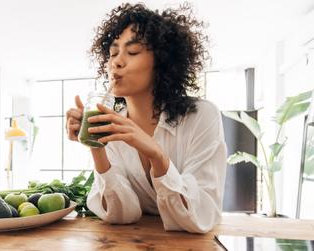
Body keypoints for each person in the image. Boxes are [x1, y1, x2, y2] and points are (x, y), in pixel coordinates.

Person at [65, 3, 227, 233]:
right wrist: (96, 145)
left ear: (162, 61)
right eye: (113, 53)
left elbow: (202, 215)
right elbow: (122, 215)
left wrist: (157, 156)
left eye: (132, 52)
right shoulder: (111, 123)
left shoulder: (201, 116)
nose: (116, 62)